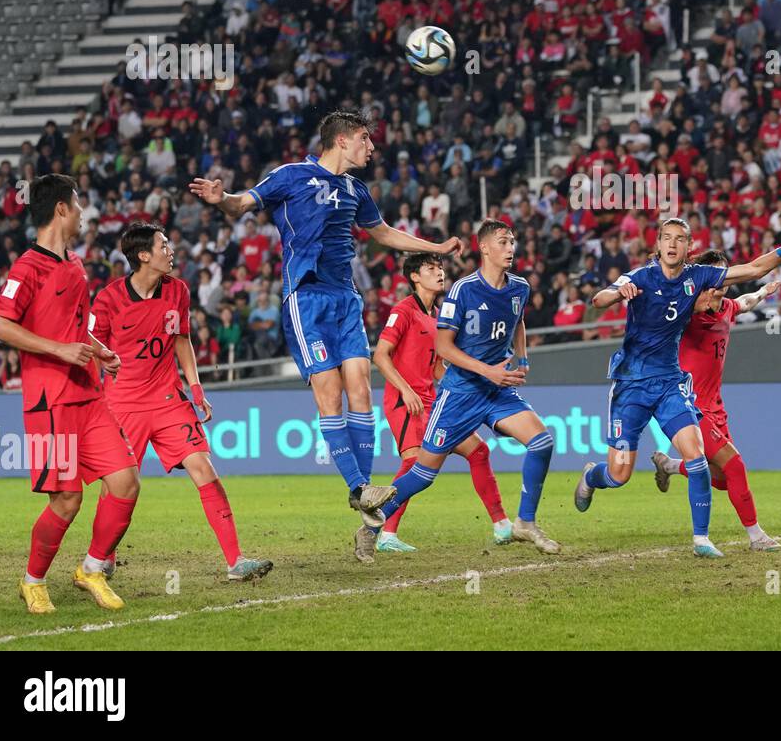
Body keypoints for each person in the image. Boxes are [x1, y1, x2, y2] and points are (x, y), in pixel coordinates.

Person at [189, 110, 463, 560]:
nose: (371, 148)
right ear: (341, 140)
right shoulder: (291, 175)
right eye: (365, 140)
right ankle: (358, 487)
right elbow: (241, 204)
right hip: (307, 298)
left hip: (346, 299)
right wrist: (221, 199)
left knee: (360, 386)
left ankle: (366, 493)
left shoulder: (357, 190)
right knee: (330, 392)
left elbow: (383, 233)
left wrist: (434, 247)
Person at [576, 216, 781, 558]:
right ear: (657, 244)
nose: (671, 244)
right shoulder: (640, 276)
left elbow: (753, 269)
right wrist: (615, 294)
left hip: (670, 384)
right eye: (666, 238)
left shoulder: (699, 278)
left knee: (697, 457)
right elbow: (598, 300)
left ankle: (701, 540)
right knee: (619, 473)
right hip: (632, 384)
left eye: (679, 239)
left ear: (687, 247)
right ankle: (592, 476)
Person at [0, 174, 138, 614]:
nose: (81, 211)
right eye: (76, 203)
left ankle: (91, 569)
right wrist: (59, 349)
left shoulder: (75, 264)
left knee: (125, 482)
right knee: (68, 499)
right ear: (60, 209)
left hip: (89, 395)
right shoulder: (26, 268)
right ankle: (33, 580)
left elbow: (72, 330)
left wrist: (99, 351)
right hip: (49, 401)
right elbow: (0, 326)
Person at [91, 222, 272, 579]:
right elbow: (92, 345)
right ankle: (104, 556)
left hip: (168, 399)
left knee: (204, 469)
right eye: (164, 245)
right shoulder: (109, 298)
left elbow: (181, 341)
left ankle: (236, 561)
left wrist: (196, 388)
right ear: (144, 256)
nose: (171, 250)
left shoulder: (179, 291)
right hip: (123, 404)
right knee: (116, 484)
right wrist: (102, 368)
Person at [372, 219, 561, 560]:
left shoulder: (519, 288)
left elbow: (518, 321)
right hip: (456, 394)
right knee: (422, 472)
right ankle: (375, 525)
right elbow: (440, 348)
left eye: (513, 242)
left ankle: (521, 522)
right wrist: (484, 371)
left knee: (540, 441)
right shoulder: (458, 293)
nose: (511, 248)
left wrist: (522, 359)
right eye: (503, 242)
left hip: (494, 389)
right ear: (484, 248)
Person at [371, 251, 511, 553]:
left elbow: (436, 368)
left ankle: (502, 525)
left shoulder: (437, 316)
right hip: (404, 401)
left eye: (440, 267)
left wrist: (469, 381)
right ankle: (384, 532)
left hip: (433, 402)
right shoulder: (403, 310)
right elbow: (380, 355)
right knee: (413, 463)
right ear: (414, 277)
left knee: (479, 451)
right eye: (431, 268)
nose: (439, 272)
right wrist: (406, 391)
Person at [649, 250, 781, 550]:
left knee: (721, 479)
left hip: (716, 406)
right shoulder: (689, 312)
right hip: (690, 406)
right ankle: (756, 536)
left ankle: (670, 466)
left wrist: (762, 291)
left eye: (724, 272)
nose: (720, 280)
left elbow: (745, 303)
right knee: (735, 467)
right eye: (714, 274)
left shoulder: (728, 308)